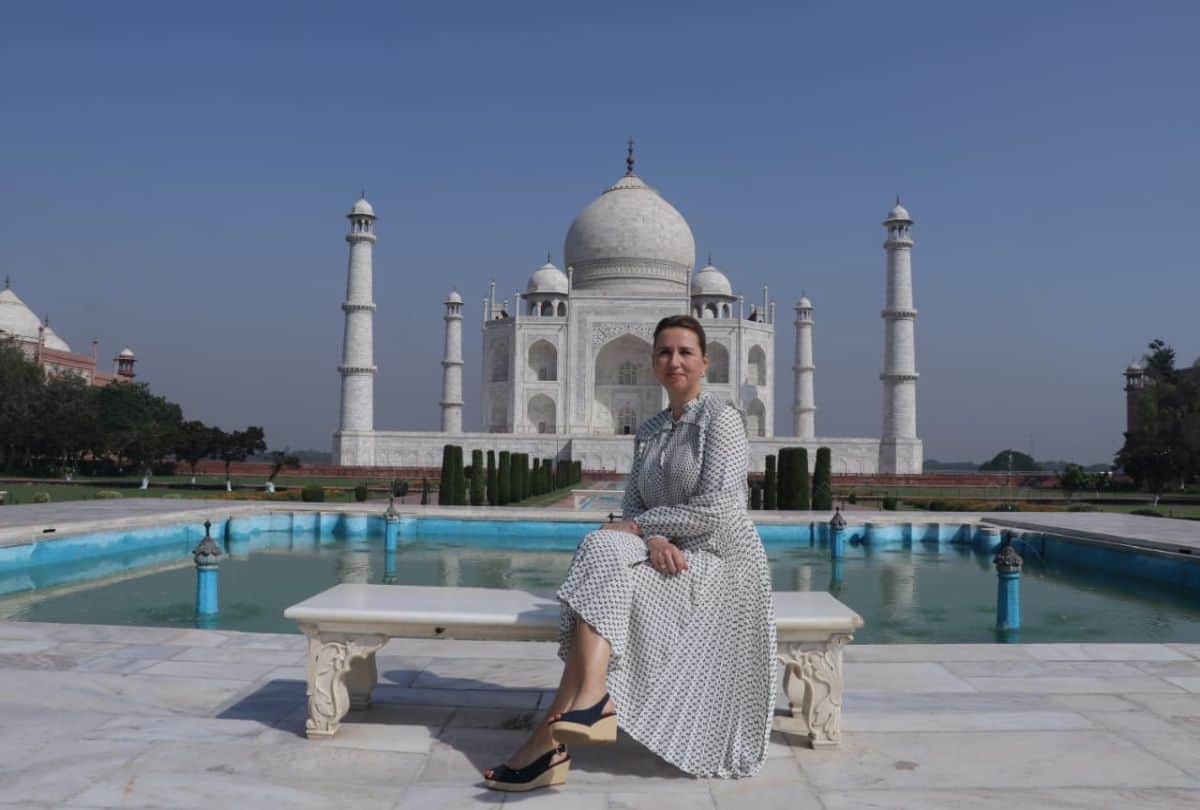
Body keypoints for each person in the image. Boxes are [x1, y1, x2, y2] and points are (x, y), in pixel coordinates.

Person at [484, 314, 777, 791]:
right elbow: (634, 504)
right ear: (652, 362)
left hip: (720, 560)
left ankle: (551, 739)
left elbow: (718, 510)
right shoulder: (651, 429)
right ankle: (588, 702)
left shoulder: (721, 420)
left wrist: (643, 527)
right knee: (602, 549)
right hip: (667, 553)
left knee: (598, 572)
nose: (674, 361)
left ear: (706, 361)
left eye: (685, 352)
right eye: (664, 352)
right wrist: (654, 537)